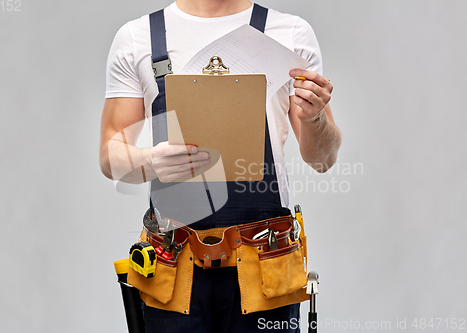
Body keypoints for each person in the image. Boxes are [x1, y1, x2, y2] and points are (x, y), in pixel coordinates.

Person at [99, 0, 341, 332]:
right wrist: (149, 161)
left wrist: (314, 117)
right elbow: (110, 158)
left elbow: (323, 159)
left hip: (263, 264)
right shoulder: (138, 38)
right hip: (173, 267)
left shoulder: (290, 34)